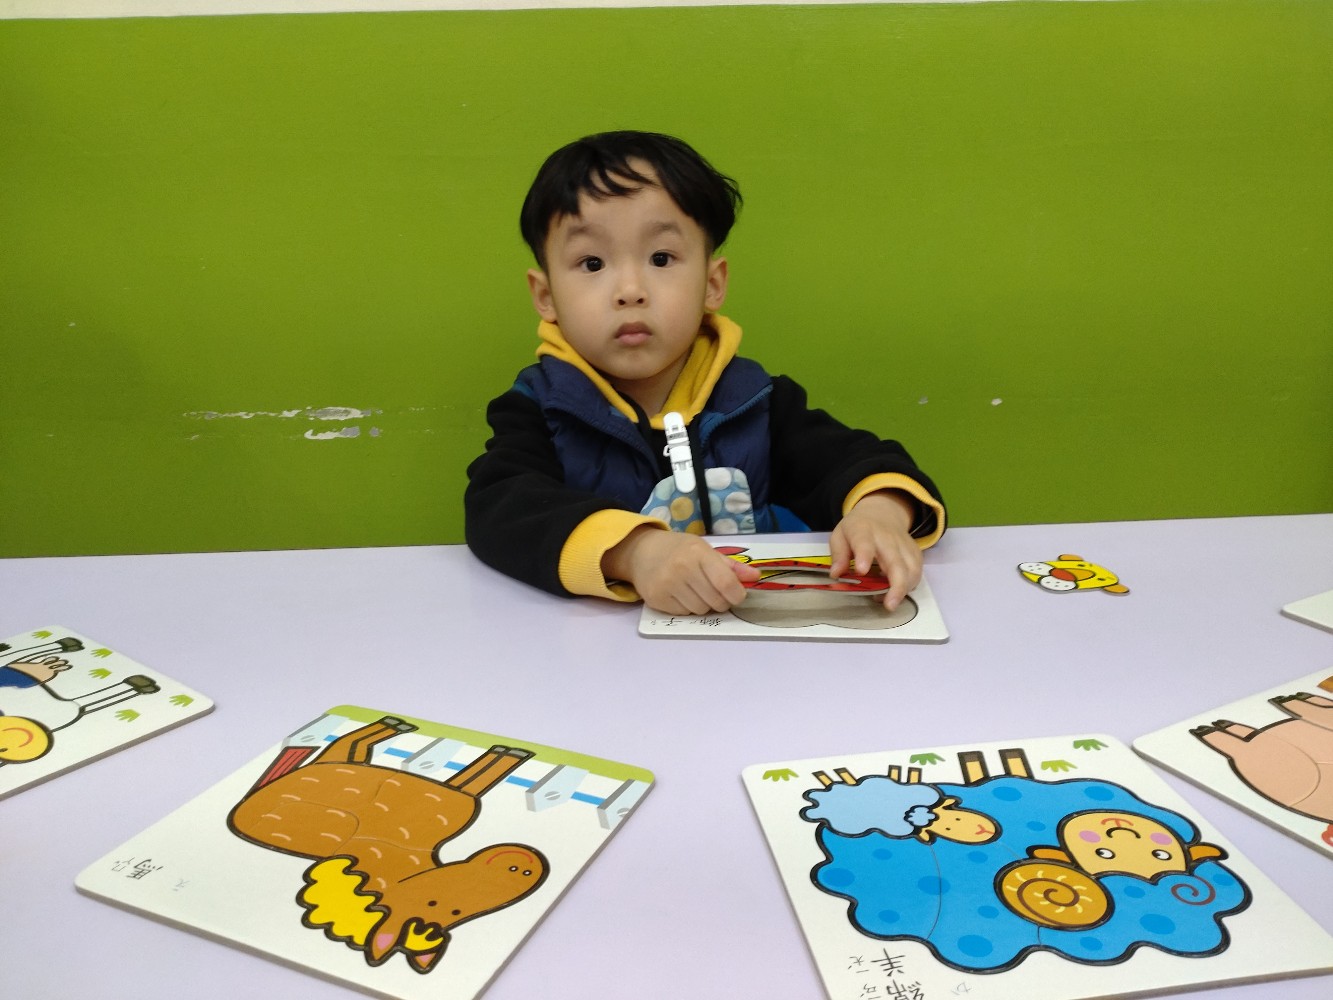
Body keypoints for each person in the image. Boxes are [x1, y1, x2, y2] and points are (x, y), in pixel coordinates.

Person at [465, 130, 945, 616]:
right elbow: (499, 507)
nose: (630, 290)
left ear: (712, 284)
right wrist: (635, 553)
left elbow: (860, 459)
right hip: (601, 648)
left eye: (661, 259)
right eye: (592, 263)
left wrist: (880, 513)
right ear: (545, 296)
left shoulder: (756, 400)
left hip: (756, 637)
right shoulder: (538, 407)